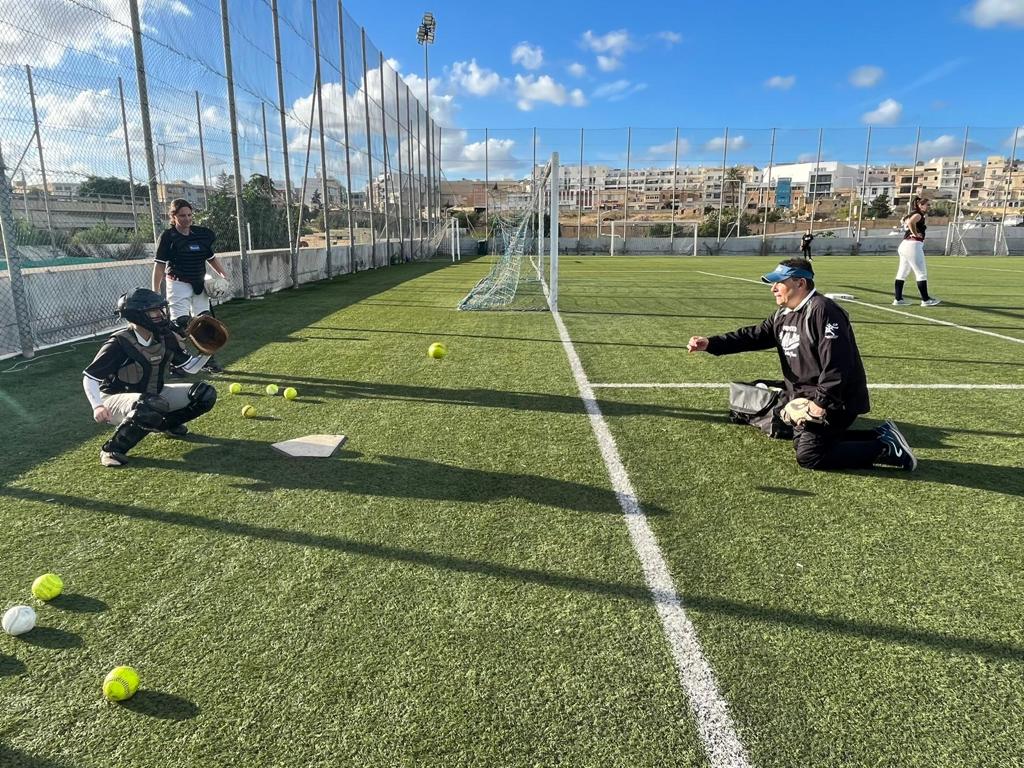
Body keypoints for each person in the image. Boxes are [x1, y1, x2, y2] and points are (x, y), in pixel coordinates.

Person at [687, 258, 918, 471]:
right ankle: (880, 435)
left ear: (800, 283)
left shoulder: (823, 310)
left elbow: (838, 364)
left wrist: (820, 403)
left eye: (779, 283)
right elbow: (753, 335)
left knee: (810, 455)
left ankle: (885, 448)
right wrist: (710, 343)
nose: (773, 288)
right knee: (796, 435)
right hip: (801, 395)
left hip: (837, 400)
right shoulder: (783, 314)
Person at [83, 288, 217, 467]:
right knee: (152, 403)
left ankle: (164, 424)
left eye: (160, 309)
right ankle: (111, 450)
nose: (160, 314)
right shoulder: (119, 342)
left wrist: (208, 351)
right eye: (153, 311)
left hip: (152, 396)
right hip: (113, 400)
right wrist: (97, 406)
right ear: (137, 315)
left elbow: (190, 368)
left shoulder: (164, 336)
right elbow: (90, 377)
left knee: (204, 394)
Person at [152, 198, 230, 372]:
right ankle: (177, 363)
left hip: (200, 283)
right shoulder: (168, 237)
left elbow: (211, 258)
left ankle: (208, 360)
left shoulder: (201, 235)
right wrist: (155, 292)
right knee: (180, 324)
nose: (187, 219)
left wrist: (223, 275)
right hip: (178, 283)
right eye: (182, 215)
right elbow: (159, 266)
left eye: (189, 215)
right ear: (173, 216)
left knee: (205, 322)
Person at [894, 196, 940, 307]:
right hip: (913, 245)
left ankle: (898, 299)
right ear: (920, 205)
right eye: (927, 205)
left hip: (905, 245)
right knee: (921, 273)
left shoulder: (913, 214)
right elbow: (910, 223)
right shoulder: (918, 215)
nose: (929, 207)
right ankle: (926, 300)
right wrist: (915, 234)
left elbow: (906, 221)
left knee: (902, 273)